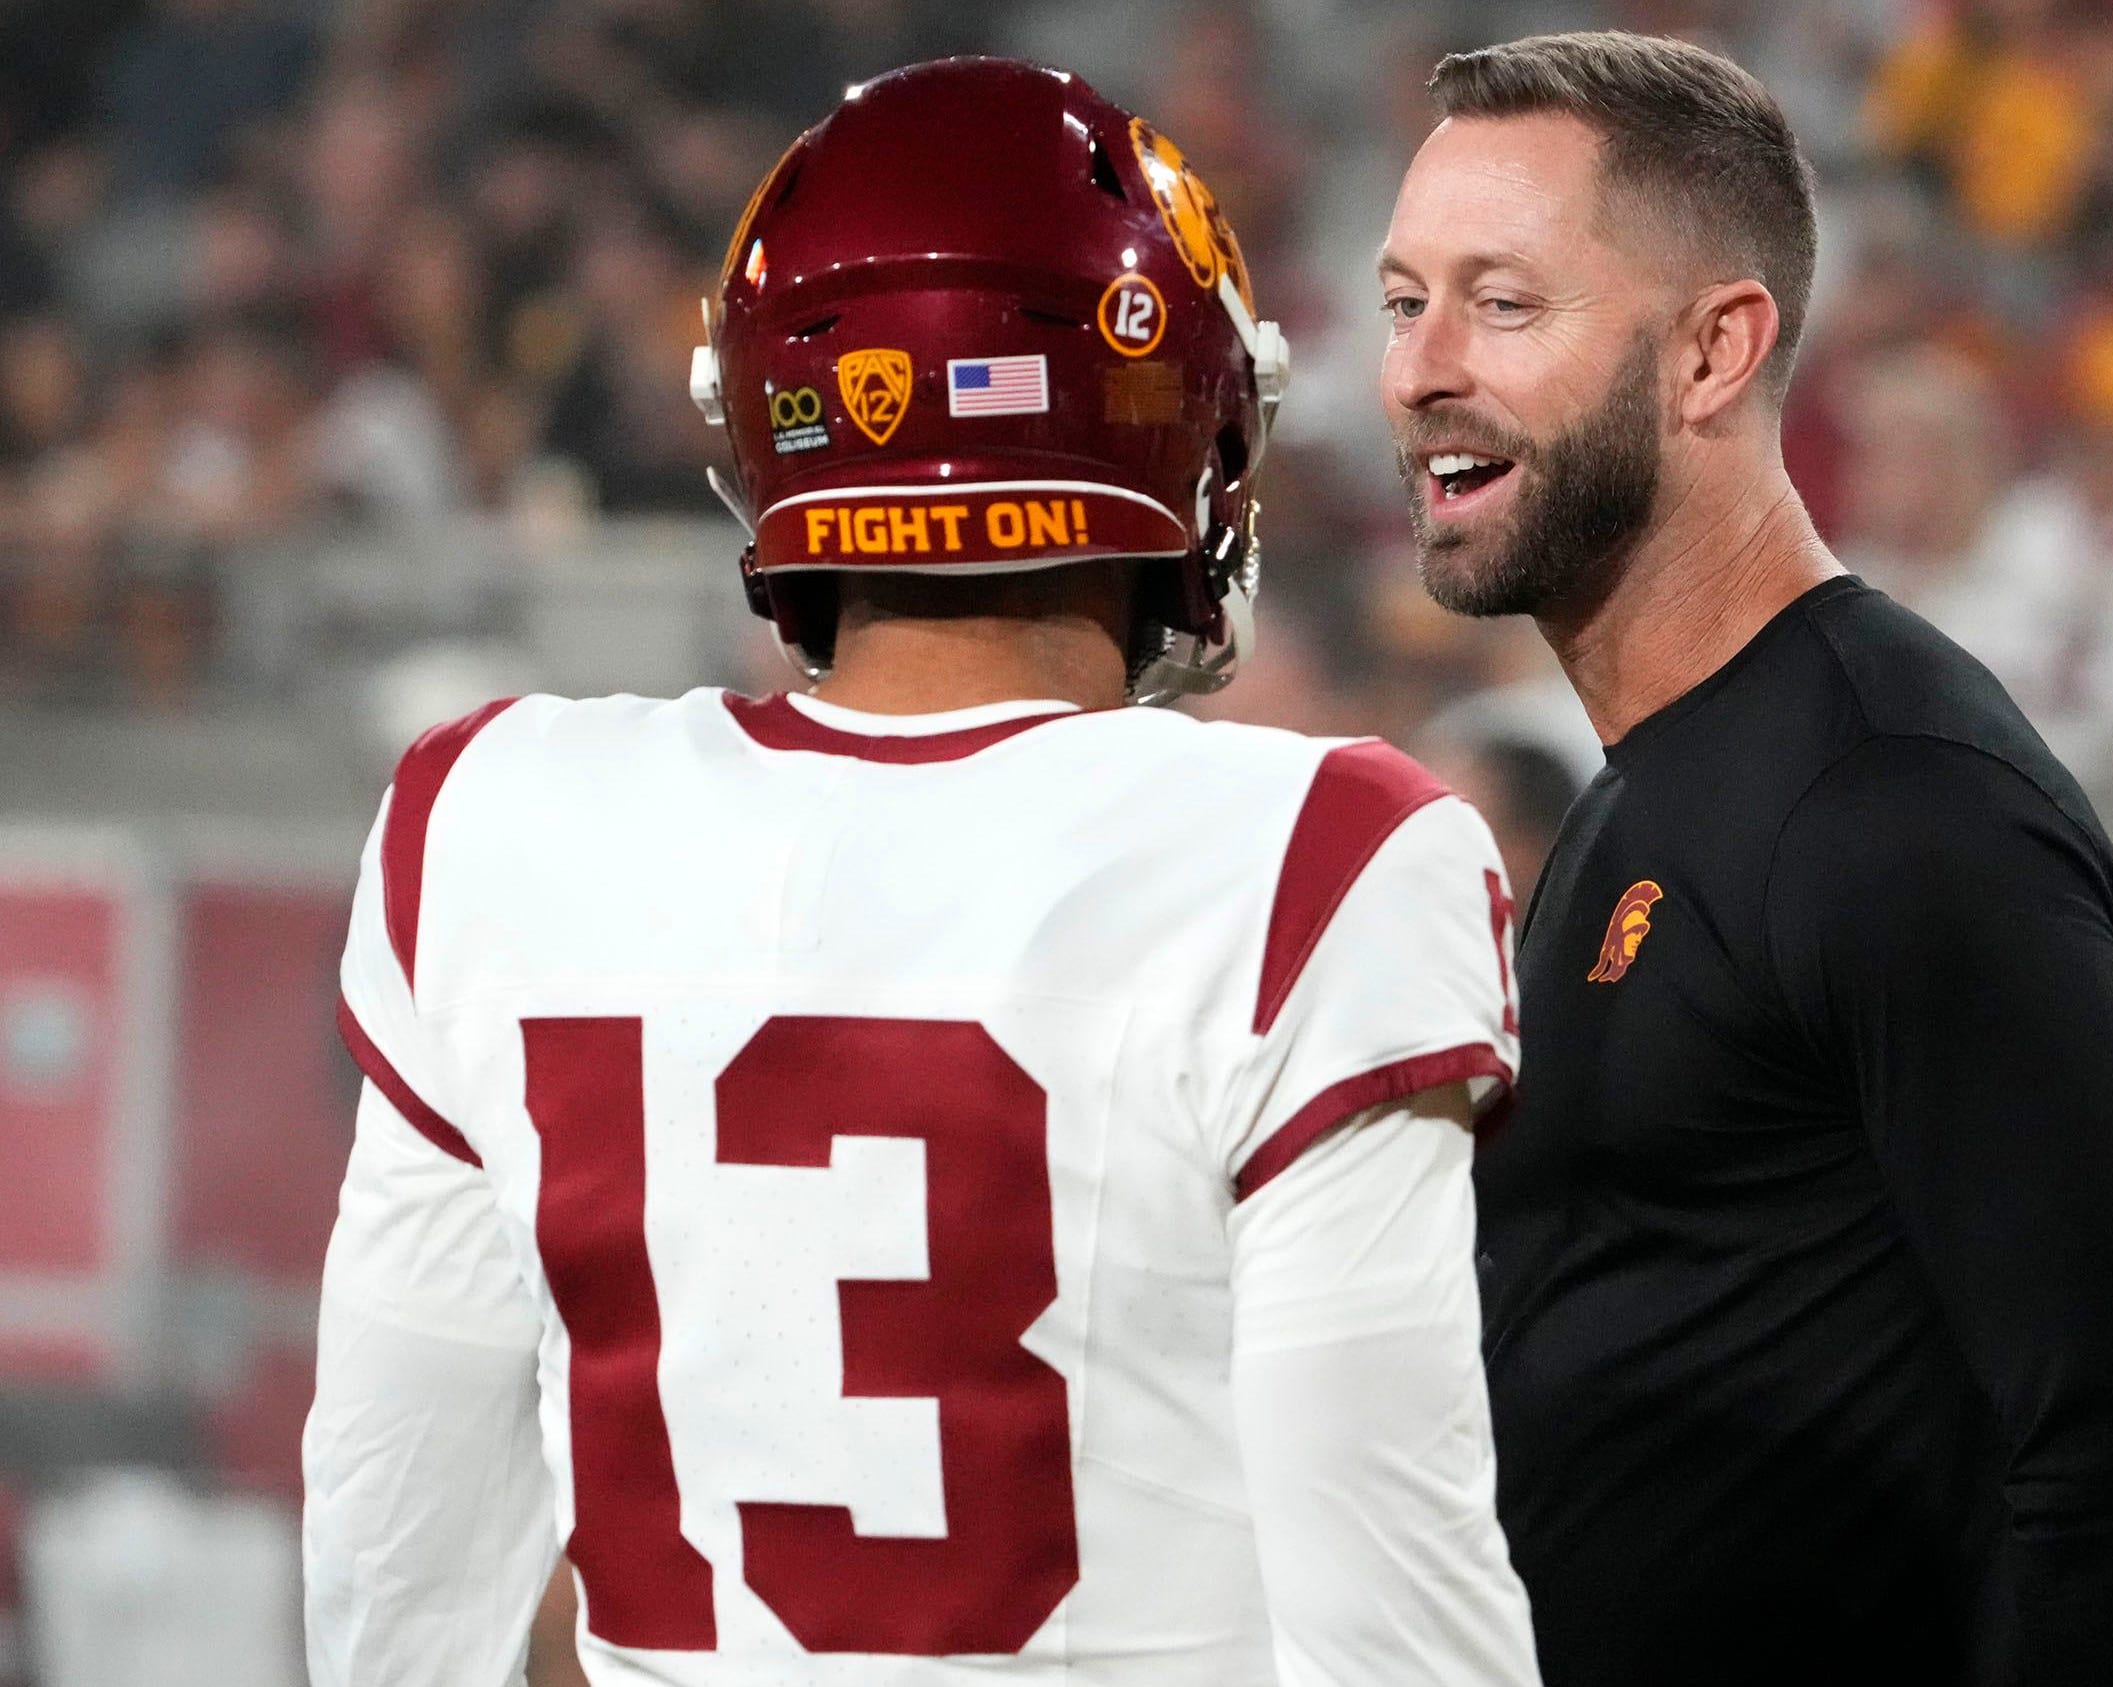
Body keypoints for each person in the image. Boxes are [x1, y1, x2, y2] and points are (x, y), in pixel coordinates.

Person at [300, 59, 1540, 1687]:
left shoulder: (490, 817)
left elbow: (397, 1571)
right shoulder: (1324, 857)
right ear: (1186, 424)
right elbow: (1395, 1620)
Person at [1379, 30, 2113, 1684]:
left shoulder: (1896, 804)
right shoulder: (1653, 789)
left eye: (1503, 304)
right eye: (1401, 300)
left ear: (1715, 352)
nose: (1419, 369)